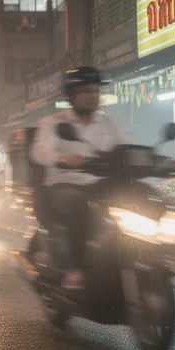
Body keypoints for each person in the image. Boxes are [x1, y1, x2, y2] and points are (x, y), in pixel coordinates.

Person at [31, 66, 125, 291]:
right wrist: (62, 158)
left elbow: (123, 149)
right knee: (78, 204)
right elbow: (39, 151)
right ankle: (77, 267)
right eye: (86, 92)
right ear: (72, 96)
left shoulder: (107, 124)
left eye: (96, 91)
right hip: (64, 185)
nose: (93, 96)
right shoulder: (54, 123)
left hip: (98, 185)